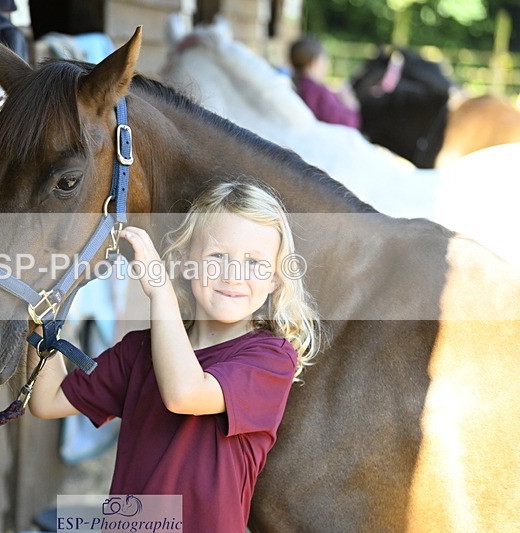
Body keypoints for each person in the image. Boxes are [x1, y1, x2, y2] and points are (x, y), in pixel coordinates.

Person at [26, 180, 321, 532]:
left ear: (275, 279)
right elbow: (48, 400)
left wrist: (160, 292)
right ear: (185, 262)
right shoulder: (141, 350)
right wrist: (42, 315)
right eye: (217, 257)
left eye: (255, 263)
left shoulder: (270, 358)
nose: (234, 275)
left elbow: (185, 394)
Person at [289, 34, 361, 129]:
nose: (327, 63)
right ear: (314, 62)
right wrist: (350, 106)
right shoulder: (317, 92)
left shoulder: (296, 84)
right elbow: (349, 124)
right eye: (324, 59)